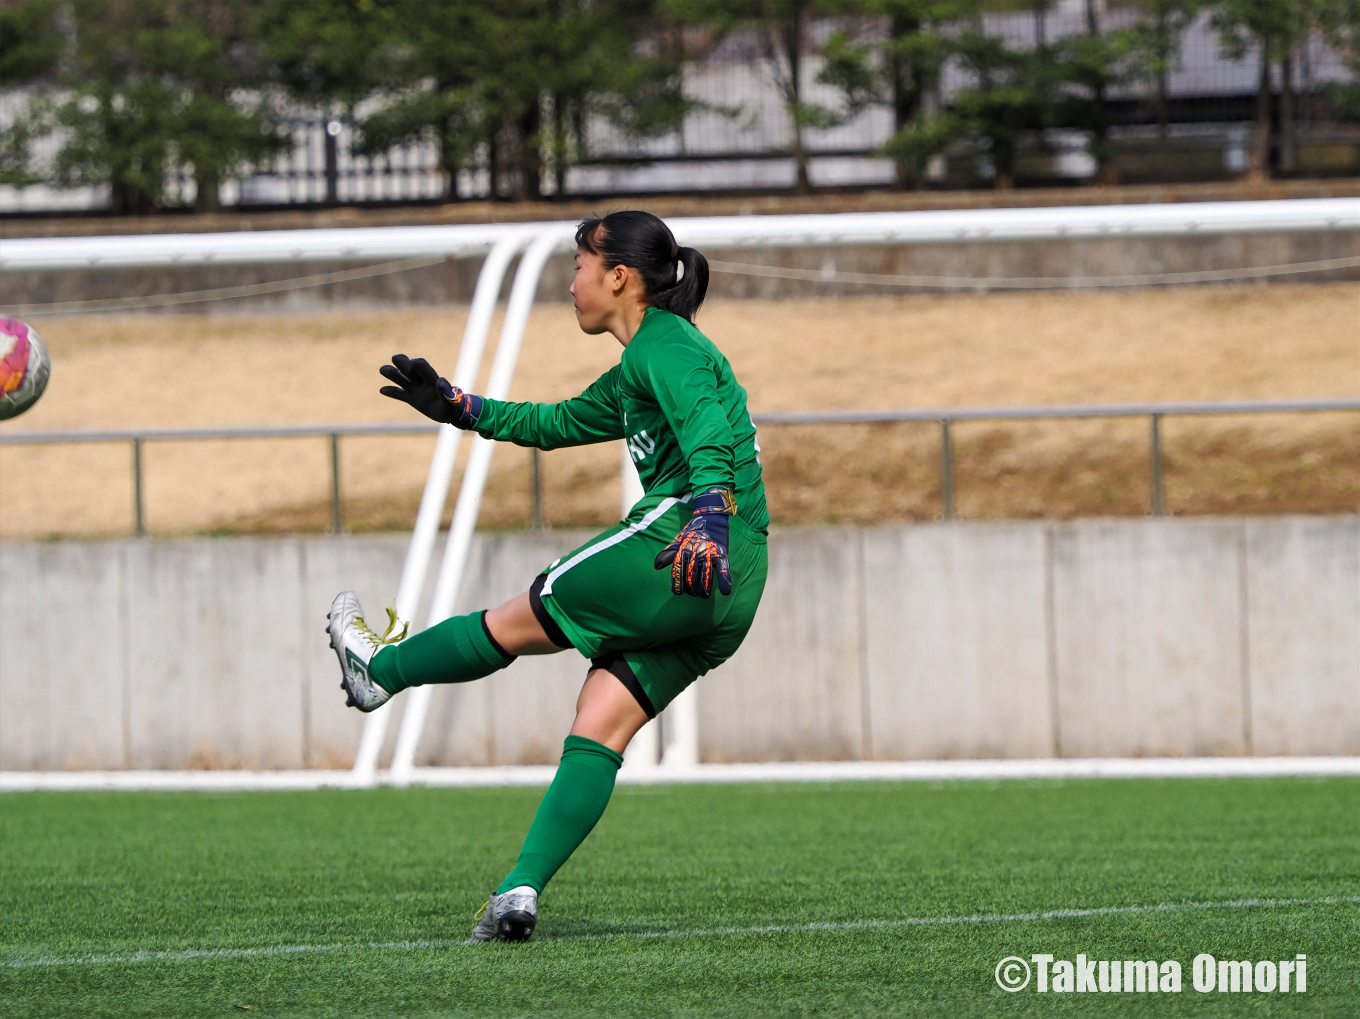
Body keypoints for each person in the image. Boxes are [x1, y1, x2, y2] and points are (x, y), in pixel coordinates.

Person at [326, 210, 769, 942]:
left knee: (522, 615)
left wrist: (709, 512)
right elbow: (555, 422)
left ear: (617, 276)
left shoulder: (668, 347)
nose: (571, 286)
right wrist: (459, 407)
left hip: (688, 542)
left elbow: (709, 431)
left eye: (578, 267)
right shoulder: (642, 363)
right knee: (602, 719)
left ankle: (383, 668)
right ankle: (519, 889)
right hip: (732, 589)